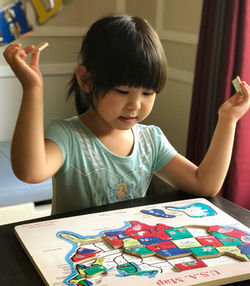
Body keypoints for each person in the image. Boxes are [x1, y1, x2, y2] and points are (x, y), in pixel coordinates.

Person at [3, 15, 250, 215]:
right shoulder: (67, 136)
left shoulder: (150, 141)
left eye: (147, 92)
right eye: (122, 91)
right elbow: (29, 172)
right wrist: (33, 88)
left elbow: (205, 184)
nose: (135, 105)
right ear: (86, 80)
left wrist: (228, 120)